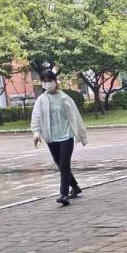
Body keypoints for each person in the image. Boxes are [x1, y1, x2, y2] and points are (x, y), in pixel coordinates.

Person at [31, 70, 87, 206]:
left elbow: (76, 117)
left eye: (50, 81)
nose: (47, 84)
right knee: (61, 165)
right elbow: (36, 117)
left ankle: (64, 194)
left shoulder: (65, 98)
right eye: (44, 81)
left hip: (66, 136)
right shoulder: (41, 100)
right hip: (51, 137)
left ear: (55, 82)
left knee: (64, 165)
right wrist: (36, 133)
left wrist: (82, 136)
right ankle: (75, 187)